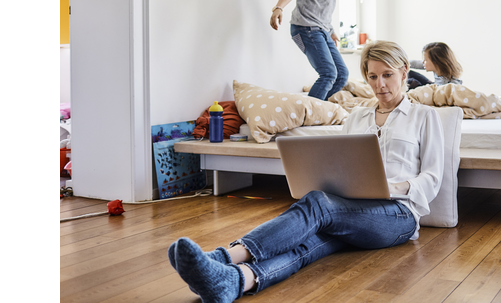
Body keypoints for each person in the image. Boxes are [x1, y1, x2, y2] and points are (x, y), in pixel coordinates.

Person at [167, 40, 445, 302]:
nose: (379, 84)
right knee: (309, 242)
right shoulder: (357, 116)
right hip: (351, 209)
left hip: (398, 215)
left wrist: (393, 188)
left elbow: (432, 178)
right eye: (372, 77)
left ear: (404, 71)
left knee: (318, 204)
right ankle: (235, 281)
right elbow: (343, 164)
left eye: (387, 75)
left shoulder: (425, 116)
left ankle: (223, 257)